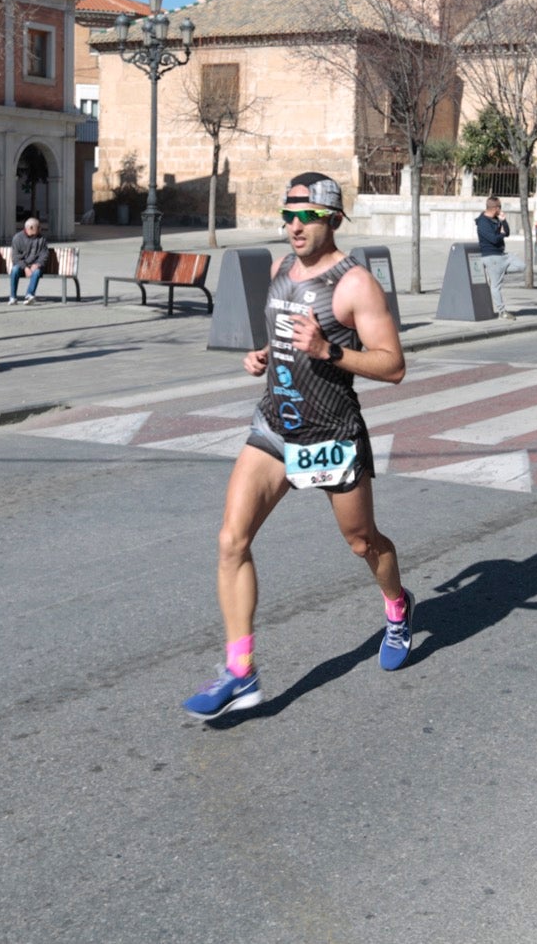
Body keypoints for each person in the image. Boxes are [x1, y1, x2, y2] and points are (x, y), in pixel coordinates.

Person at [182, 172, 413, 720]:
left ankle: (398, 607)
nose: (292, 227)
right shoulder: (281, 268)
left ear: (331, 217)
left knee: (362, 542)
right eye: (287, 217)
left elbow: (394, 366)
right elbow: (286, 328)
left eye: (304, 217)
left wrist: (329, 351)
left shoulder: (356, 284)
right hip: (275, 424)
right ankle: (241, 672)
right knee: (231, 540)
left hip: (331, 434)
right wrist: (265, 353)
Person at [474, 196, 524, 321]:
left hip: (502, 255)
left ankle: (500, 270)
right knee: (495, 287)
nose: (501, 209)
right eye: (500, 207)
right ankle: (502, 312)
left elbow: (507, 232)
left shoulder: (496, 219)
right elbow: (493, 239)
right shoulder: (483, 222)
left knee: (522, 265)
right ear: (495, 208)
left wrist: (504, 221)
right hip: (491, 256)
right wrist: (500, 234)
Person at [8, 217, 49, 304]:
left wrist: (38, 264)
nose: (40, 229)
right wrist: (25, 268)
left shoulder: (42, 239)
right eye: (38, 227)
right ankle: (13, 297)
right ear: (30, 228)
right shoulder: (17, 238)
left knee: (37, 272)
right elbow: (15, 257)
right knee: (15, 269)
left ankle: (29, 295)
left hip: (35, 266)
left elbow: (44, 255)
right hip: (22, 266)